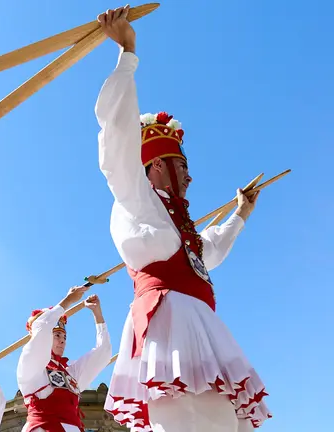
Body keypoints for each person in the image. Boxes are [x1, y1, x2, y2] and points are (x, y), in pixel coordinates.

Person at [95, 6, 271, 431]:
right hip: (167, 324)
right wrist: (127, 54)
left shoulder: (184, 229)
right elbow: (116, 139)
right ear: (155, 167)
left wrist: (241, 213)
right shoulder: (136, 199)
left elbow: (210, 250)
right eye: (180, 165)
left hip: (200, 325)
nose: (190, 175)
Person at [17, 289, 111, 432]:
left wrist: (97, 314)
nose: (62, 341)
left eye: (64, 337)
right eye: (57, 336)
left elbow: (103, 352)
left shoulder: (70, 372)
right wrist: (68, 301)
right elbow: (42, 326)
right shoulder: (31, 366)